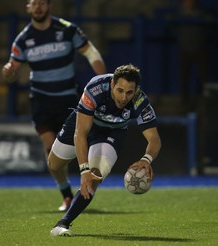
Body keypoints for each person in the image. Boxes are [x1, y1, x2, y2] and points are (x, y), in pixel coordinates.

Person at [2, 0, 106, 211]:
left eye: (42, 3)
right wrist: (8, 72)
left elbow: (91, 53)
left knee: (79, 145)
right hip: (41, 100)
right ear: (28, 8)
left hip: (69, 99)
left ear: (49, 6)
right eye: (34, 3)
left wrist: (104, 81)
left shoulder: (67, 29)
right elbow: (12, 70)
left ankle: (84, 188)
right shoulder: (23, 39)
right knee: (52, 151)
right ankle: (66, 194)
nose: (38, 7)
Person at [48, 64, 161, 236]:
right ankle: (65, 189)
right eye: (120, 90)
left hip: (111, 132)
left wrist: (146, 159)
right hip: (85, 123)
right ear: (112, 84)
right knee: (54, 164)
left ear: (136, 90)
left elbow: (154, 139)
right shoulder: (95, 88)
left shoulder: (140, 100)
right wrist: (83, 169)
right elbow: (81, 133)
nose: (124, 97)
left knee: (95, 176)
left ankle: (63, 224)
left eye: (129, 92)